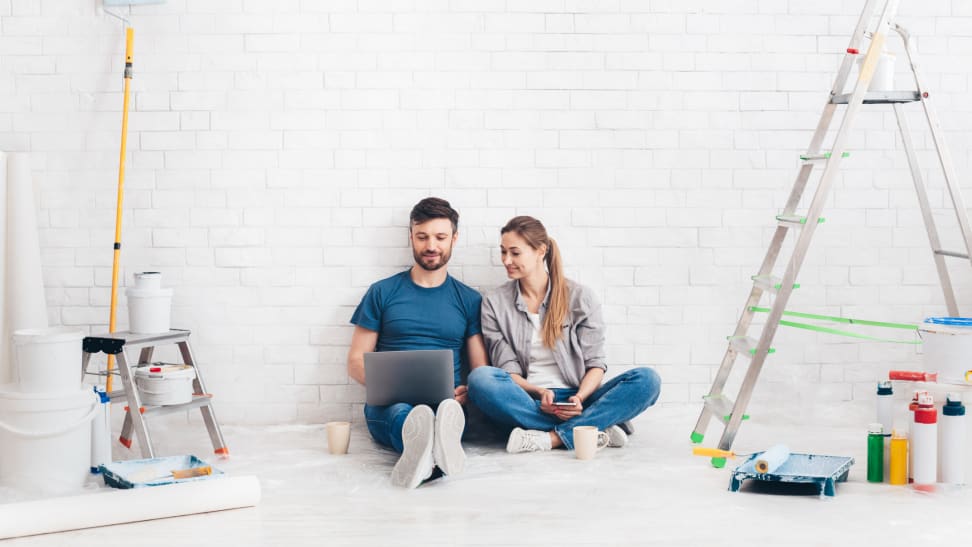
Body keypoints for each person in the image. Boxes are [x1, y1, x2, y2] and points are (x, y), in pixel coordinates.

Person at [468, 215, 661, 454]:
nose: (507, 260)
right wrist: (539, 392)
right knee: (480, 379)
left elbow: (596, 365)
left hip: (580, 398)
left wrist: (579, 398)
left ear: (541, 251)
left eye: (515, 253)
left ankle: (552, 438)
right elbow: (508, 370)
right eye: (503, 252)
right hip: (529, 399)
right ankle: (594, 428)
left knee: (647, 380)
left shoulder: (580, 297)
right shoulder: (494, 302)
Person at [347, 197, 488, 488]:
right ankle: (433, 451)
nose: (431, 246)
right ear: (411, 236)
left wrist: (468, 392)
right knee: (403, 414)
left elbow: (480, 370)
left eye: (440, 237)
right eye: (422, 237)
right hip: (389, 405)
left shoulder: (469, 300)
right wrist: (386, 387)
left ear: (454, 239)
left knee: (444, 414)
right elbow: (355, 361)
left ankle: (424, 456)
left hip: (445, 403)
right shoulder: (382, 292)